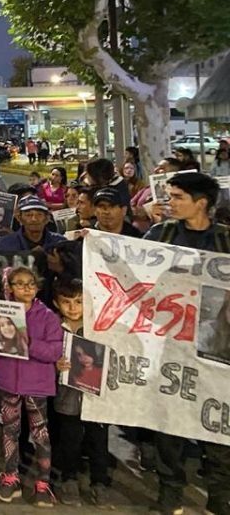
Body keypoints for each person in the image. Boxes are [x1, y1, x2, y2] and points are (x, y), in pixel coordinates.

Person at [143, 172, 230, 515]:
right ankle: (170, 488)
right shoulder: (160, 234)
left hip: (218, 344)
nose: (170, 202)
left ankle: (220, 494)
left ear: (202, 202)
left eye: (177, 196)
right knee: (170, 418)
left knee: (219, 418)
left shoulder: (226, 241)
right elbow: (129, 266)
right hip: (171, 341)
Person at [0, 267, 63, 507]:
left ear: (38, 287)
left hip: (36, 385)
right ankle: (11, 478)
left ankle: (43, 484)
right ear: (10, 288)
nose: (26, 288)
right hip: (8, 382)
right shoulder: (2, 312)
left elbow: (55, 352)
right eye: (20, 283)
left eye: (31, 283)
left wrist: (29, 341)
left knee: (40, 433)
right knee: (10, 431)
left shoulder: (48, 316)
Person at [50, 280, 112, 506]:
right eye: (66, 302)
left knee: (98, 441)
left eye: (78, 301)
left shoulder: (99, 327)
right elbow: (46, 353)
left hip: (96, 399)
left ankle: (99, 483)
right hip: (67, 397)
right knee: (70, 440)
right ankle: (69, 479)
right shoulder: (54, 327)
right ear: (57, 303)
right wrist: (55, 365)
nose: (73, 307)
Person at [0, 197, 64, 252]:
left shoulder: (60, 242)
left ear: (47, 218)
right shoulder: (5, 245)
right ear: (19, 218)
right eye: (28, 215)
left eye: (39, 214)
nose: (34, 219)